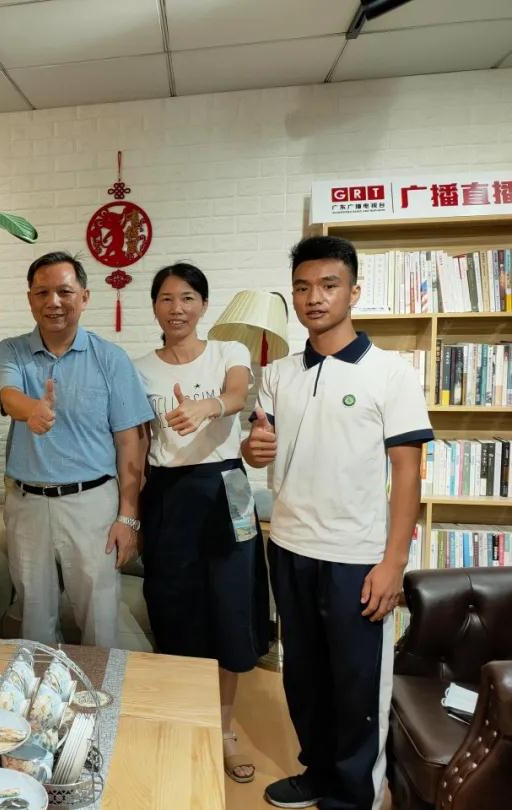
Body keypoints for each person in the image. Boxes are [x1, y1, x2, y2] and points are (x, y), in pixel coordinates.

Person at [242, 236, 432, 810]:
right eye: (302, 287)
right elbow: (261, 447)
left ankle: (355, 796)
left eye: (329, 285)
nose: (315, 298)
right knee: (303, 677)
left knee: (357, 687)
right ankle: (318, 773)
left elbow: (407, 473)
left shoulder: (390, 373)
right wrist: (254, 447)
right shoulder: (278, 374)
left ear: (354, 291)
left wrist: (393, 562)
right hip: (290, 547)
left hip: (357, 556)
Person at [134, 262, 269, 785]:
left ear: (204, 305)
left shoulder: (228, 352)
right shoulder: (139, 368)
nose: (178, 309)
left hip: (228, 486)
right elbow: (137, 444)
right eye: (167, 299)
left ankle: (224, 729)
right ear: (154, 307)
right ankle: (182, 720)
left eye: (188, 298)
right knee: (174, 609)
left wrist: (207, 407)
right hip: (167, 493)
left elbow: (237, 394)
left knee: (230, 609)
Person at [0, 251, 152, 649]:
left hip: (92, 503)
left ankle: (97, 689)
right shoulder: (10, 351)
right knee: (33, 613)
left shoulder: (110, 358)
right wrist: (32, 410)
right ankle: (43, 690)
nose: (54, 302)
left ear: (85, 296)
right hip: (27, 503)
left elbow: (130, 441)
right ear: (30, 299)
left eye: (64, 291)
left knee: (99, 615)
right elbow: (8, 394)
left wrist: (128, 517)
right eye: (42, 292)